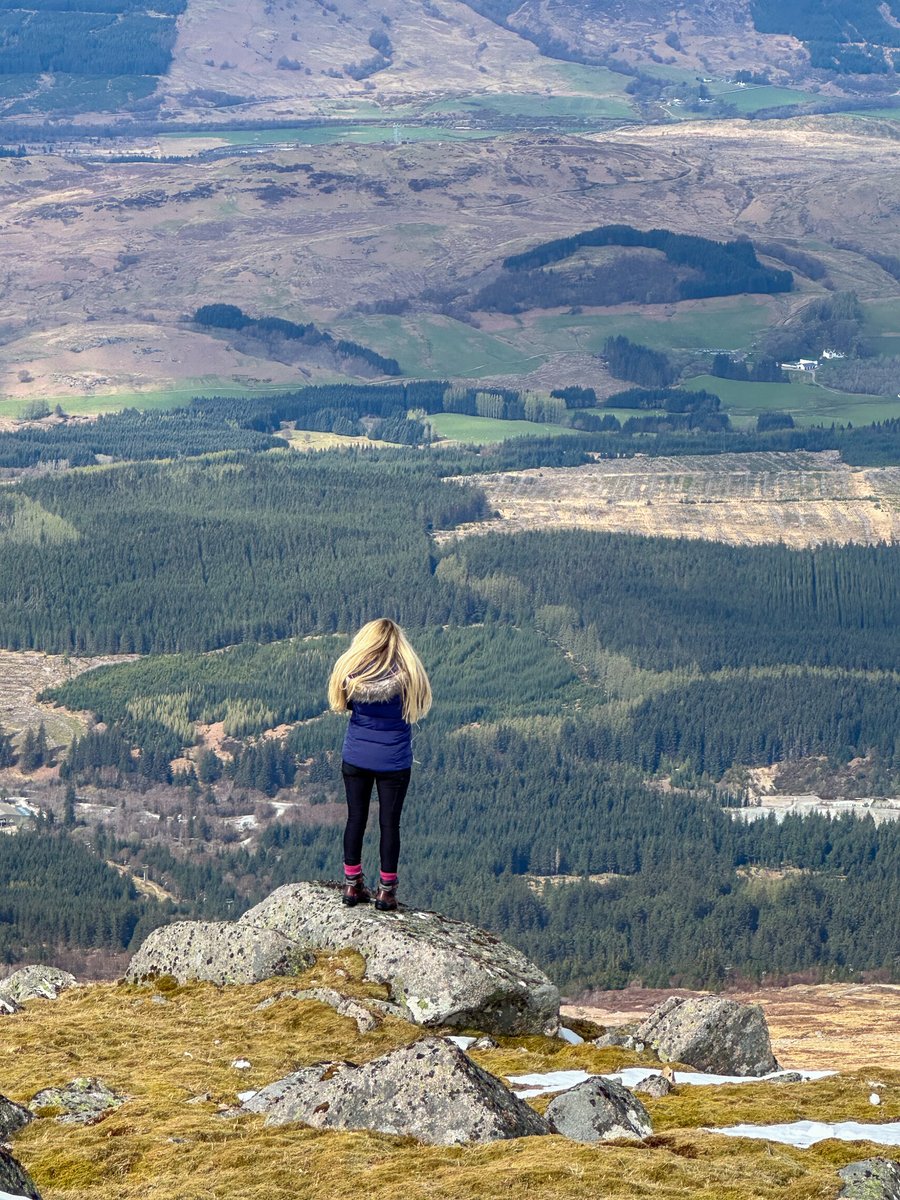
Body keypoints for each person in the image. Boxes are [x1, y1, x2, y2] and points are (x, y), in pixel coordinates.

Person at [328, 618, 432, 911]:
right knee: (389, 824)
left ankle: (352, 885)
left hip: (356, 757)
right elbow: (418, 705)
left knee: (355, 819)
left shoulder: (350, 673)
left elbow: (346, 704)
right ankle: (386, 892)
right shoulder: (410, 674)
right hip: (394, 762)